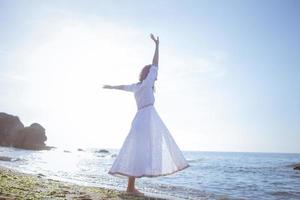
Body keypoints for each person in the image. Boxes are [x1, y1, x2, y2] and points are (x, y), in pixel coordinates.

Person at [103, 34, 189, 196]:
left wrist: (110, 87)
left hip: (140, 119)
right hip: (146, 118)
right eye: (153, 73)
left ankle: (130, 187)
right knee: (141, 150)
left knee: (137, 151)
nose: (156, 76)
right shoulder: (148, 82)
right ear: (150, 74)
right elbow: (155, 64)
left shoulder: (137, 86)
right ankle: (131, 188)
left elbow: (123, 86)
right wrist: (157, 45)